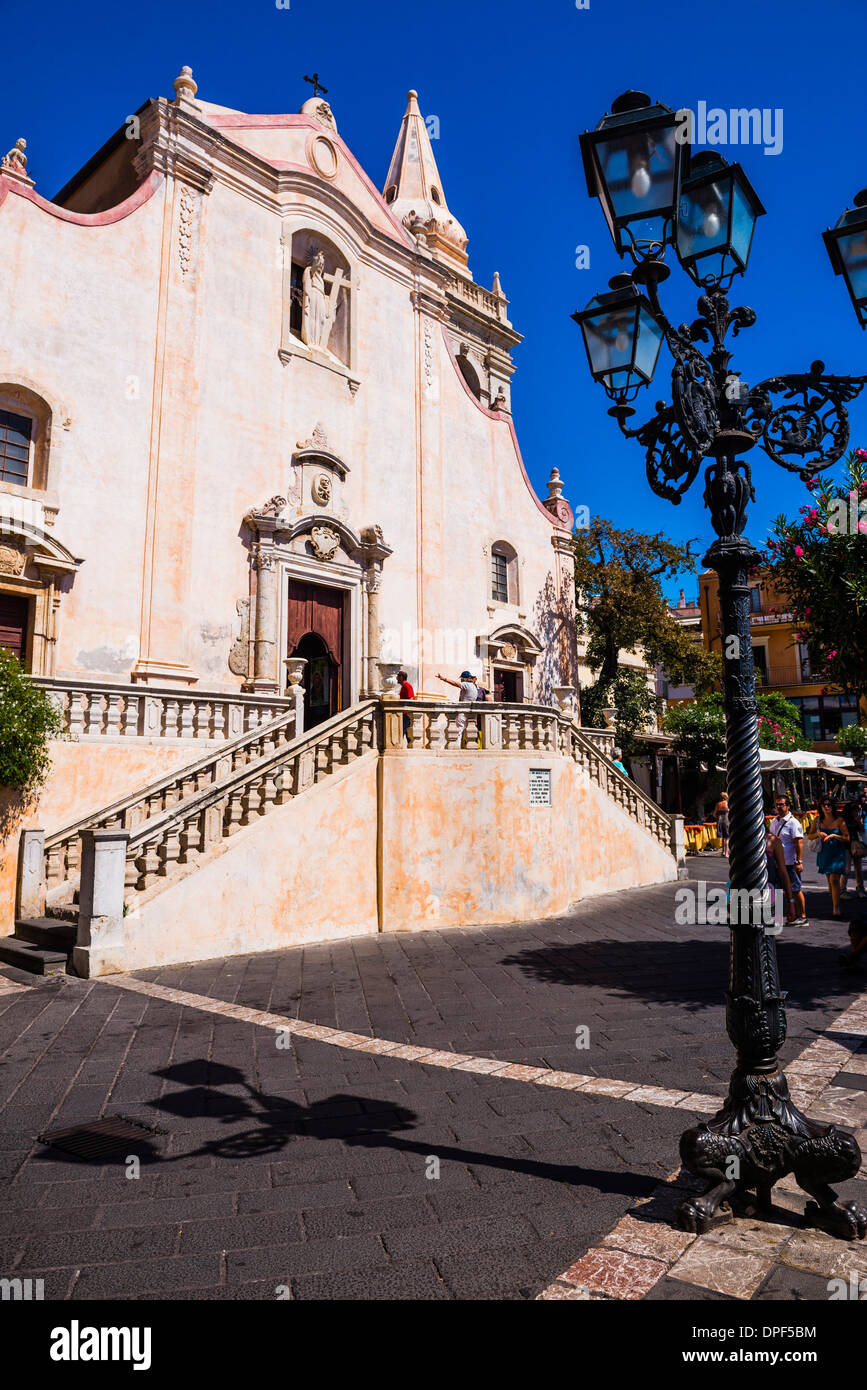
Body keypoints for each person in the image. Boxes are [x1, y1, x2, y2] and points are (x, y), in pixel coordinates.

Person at [809, 797, 850, 919]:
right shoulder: (817, 820)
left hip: (837, 853)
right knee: (830, 883)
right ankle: (835, 899)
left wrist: (834, 835)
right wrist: (818, 834)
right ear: (821, 807)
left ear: (833, 807)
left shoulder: (839, 821)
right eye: (824, 805)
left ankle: (836, 908)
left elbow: (847, 838)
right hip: (824, 853)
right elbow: (810, 836)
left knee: (834, 880)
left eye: (829, 805)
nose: (826, 807)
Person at [771, 795, 808, 927]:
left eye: (781, 804)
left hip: (790, 863)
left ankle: (802, 917)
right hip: (777, 863)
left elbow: (799, 843)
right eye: (777, 805)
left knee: (795, 889)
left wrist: (799, 861)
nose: (778, 807)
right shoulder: (775, 821)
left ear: (788, 806)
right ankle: (784, 915)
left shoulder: (794, 823)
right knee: (780, 890)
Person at [436, 670, 478, 747]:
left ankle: (457, 747)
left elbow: (455, 683)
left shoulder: (466, 684)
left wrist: (443, 679)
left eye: (461, 678)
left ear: (464, 678)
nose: (461, 680)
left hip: (463, 711)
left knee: (459, 731)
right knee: (468, 731)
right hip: (471, 713)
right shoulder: (474, 686)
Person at [766, 828, 793, 926]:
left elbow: (783, 871)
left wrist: (791, 902)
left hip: (770, 889)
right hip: (746, 892)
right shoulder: (742, 839)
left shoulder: (774, 841)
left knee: (771, 929)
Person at [841, 798, 866, 899]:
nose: (856, 812)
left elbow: (862, 830)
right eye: (855, 810)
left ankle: (860, 889)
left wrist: (858, 821)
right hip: (846, 846)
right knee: (846, 869)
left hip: (855, 845)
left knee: (858, 869)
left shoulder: (857, 818)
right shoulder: (843, 820)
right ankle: (842, 890)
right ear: (849, 811)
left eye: (857, 810)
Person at [397, 668, 414, 742]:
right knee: (406, 733)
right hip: (403, 713)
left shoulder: (407, 686)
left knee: (403, 732)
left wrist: (408, 712)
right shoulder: (403, 686)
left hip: (406, 714)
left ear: (401, 677)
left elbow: (411, 699)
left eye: (398, 677)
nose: (397, 678)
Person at [714, 792, 730, 857]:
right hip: (726, 821)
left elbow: (714, 814)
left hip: (719, 821)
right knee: (727, 838)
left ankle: (723, 852)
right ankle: (726, 853)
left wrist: (718, 817)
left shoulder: (718, 804)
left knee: (723, 837)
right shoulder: (727, 804)